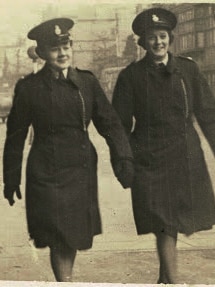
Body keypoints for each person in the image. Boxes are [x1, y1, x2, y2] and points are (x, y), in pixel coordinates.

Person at [3, 18, 134, 282]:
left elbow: (110, 124)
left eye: (66, 45)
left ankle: (66, 279)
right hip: (45, 172)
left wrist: (124, 159)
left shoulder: (87, 82)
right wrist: (11, 178)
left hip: (79, 170)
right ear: (41, 53)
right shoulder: (29, 88)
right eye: (54, 48)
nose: (62, 53)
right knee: (58, 235)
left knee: (71, 236)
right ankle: (66, 281)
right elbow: (15, 136)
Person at [112, 7, 215, 284]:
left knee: (173, 224)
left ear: (170, 37)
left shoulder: (188, 70)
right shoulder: (130, 77)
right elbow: (119, 126)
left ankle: (164, 279)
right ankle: (173, 280)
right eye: (152, 38)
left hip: (185, 157)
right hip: (149, 160)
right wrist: (123, 162)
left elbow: (207, 114)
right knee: (163, 224)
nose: (158, 42)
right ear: (142, 43)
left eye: (162, 36)